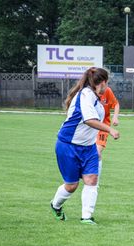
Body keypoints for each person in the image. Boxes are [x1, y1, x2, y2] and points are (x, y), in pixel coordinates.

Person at [50, 67, 120, 225]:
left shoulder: (96, 96)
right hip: (68, 145)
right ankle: (56, 205)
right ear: (101, 83)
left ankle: (87, 217)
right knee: (72, 185)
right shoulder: (86, 95)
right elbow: (89, 120)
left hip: (88, 147)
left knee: (92, 179)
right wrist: (110, 129)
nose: (107, 86)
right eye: (107, 83)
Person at [96, 86, 120, 186]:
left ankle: (95, 182)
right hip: (87, 127)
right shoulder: (86, 91)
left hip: (103, 128)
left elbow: (116, 104)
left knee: (97, 153)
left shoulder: (107, 90)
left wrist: (115, 117)